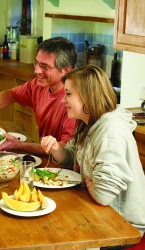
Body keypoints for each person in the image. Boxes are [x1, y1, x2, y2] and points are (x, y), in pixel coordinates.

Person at [40, 65, 145, 247]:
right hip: (102, 214)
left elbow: (103, 195)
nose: (63, 100)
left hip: (122, 226)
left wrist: (87, 178)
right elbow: (72, 158)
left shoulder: (110, 131)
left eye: (68, 94)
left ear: (88, 96)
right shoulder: (88, 122)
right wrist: (57, 148)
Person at [0, 36, 77, 156]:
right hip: (47, 159)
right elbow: (11, 94)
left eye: (44, 67)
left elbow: (63, 150)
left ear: (66, 70)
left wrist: (19, 145)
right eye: (36, 63)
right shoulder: (38, 85)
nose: (36, 71)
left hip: (66, 168)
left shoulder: (75, 102)